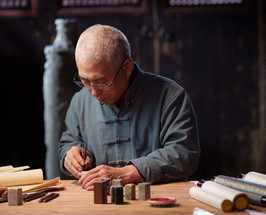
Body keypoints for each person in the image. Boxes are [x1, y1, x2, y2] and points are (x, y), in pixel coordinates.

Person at [58, 24, 200, 191]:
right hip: (99, 206)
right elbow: (70, 140)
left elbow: (184, 153)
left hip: (158, 203)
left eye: (102, 82)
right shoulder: (80, 100)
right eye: (85, 82)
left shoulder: (171, 97)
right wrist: (71, 154)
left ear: (127, 67)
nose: (94, 92)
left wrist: (128, 173)